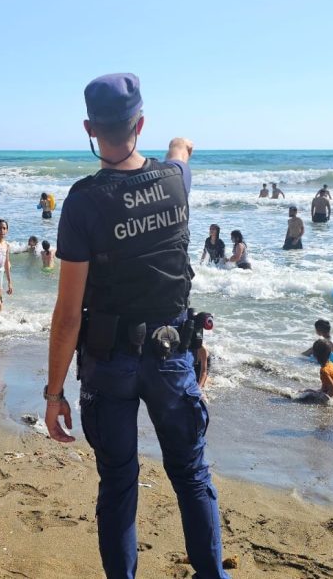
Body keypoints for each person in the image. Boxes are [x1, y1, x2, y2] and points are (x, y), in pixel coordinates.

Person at [44, 73, 228, 578]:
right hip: (171, 356)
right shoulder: (173, 181)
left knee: (119, 483)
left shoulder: (83, 201)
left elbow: (66, 314)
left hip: (109, 364)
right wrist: (178, 144)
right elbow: (180, 154)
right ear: (139, 123)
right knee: (191, 474)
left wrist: (54, 391)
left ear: (89, 128)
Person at [298, 339, 333, 404]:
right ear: (330, 353)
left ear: (314, 355)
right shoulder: (331, 364)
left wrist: (320, 402)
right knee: (306, 391)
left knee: (302, 398)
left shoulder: (324, 370)